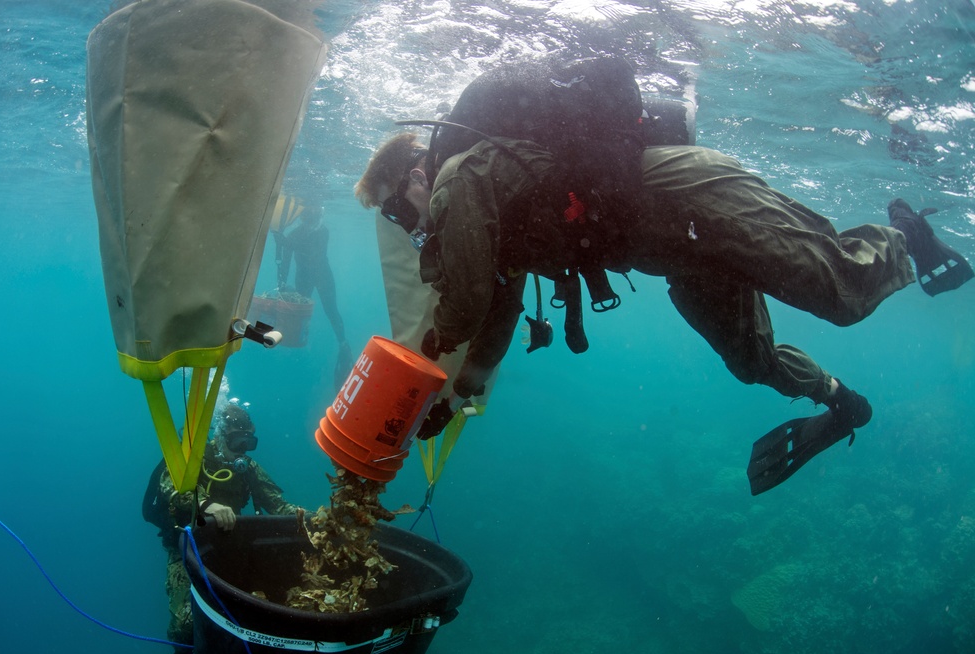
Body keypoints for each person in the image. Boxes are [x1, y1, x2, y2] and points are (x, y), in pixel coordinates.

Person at [354, 57, 973, 495]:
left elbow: (463, 304)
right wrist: (458, 398)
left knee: (841, 292)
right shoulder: (486, 199)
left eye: (391, 209)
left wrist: (421, 373)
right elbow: (496, 313)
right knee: (750, 360)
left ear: (411, 174)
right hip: (673, 251)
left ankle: (906, 236)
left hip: (688, 192)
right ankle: (839, 400)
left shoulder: (459, 178)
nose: (403, 224)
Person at [142, 402, 299, 654]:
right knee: (186, 621)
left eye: (249, 443)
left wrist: (304, 518)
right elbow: (169, 490)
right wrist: (206, 504)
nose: (243, 451)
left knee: (259, 606)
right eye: (238, 442)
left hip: (230, 550)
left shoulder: (248, 469)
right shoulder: (193, 458)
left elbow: (276, 502)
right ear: (220, 436)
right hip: (186, 550)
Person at [273, 201, 354, 390]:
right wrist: (282, 283)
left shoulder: (315, 233)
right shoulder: (300, 234)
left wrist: (285, 242)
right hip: (315, 275)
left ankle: (342, 344)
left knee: (329, 310)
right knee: (304, 312)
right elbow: (284, 262)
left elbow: (306, 251)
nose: (316, 220)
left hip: (316, 274)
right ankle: (314, 341)